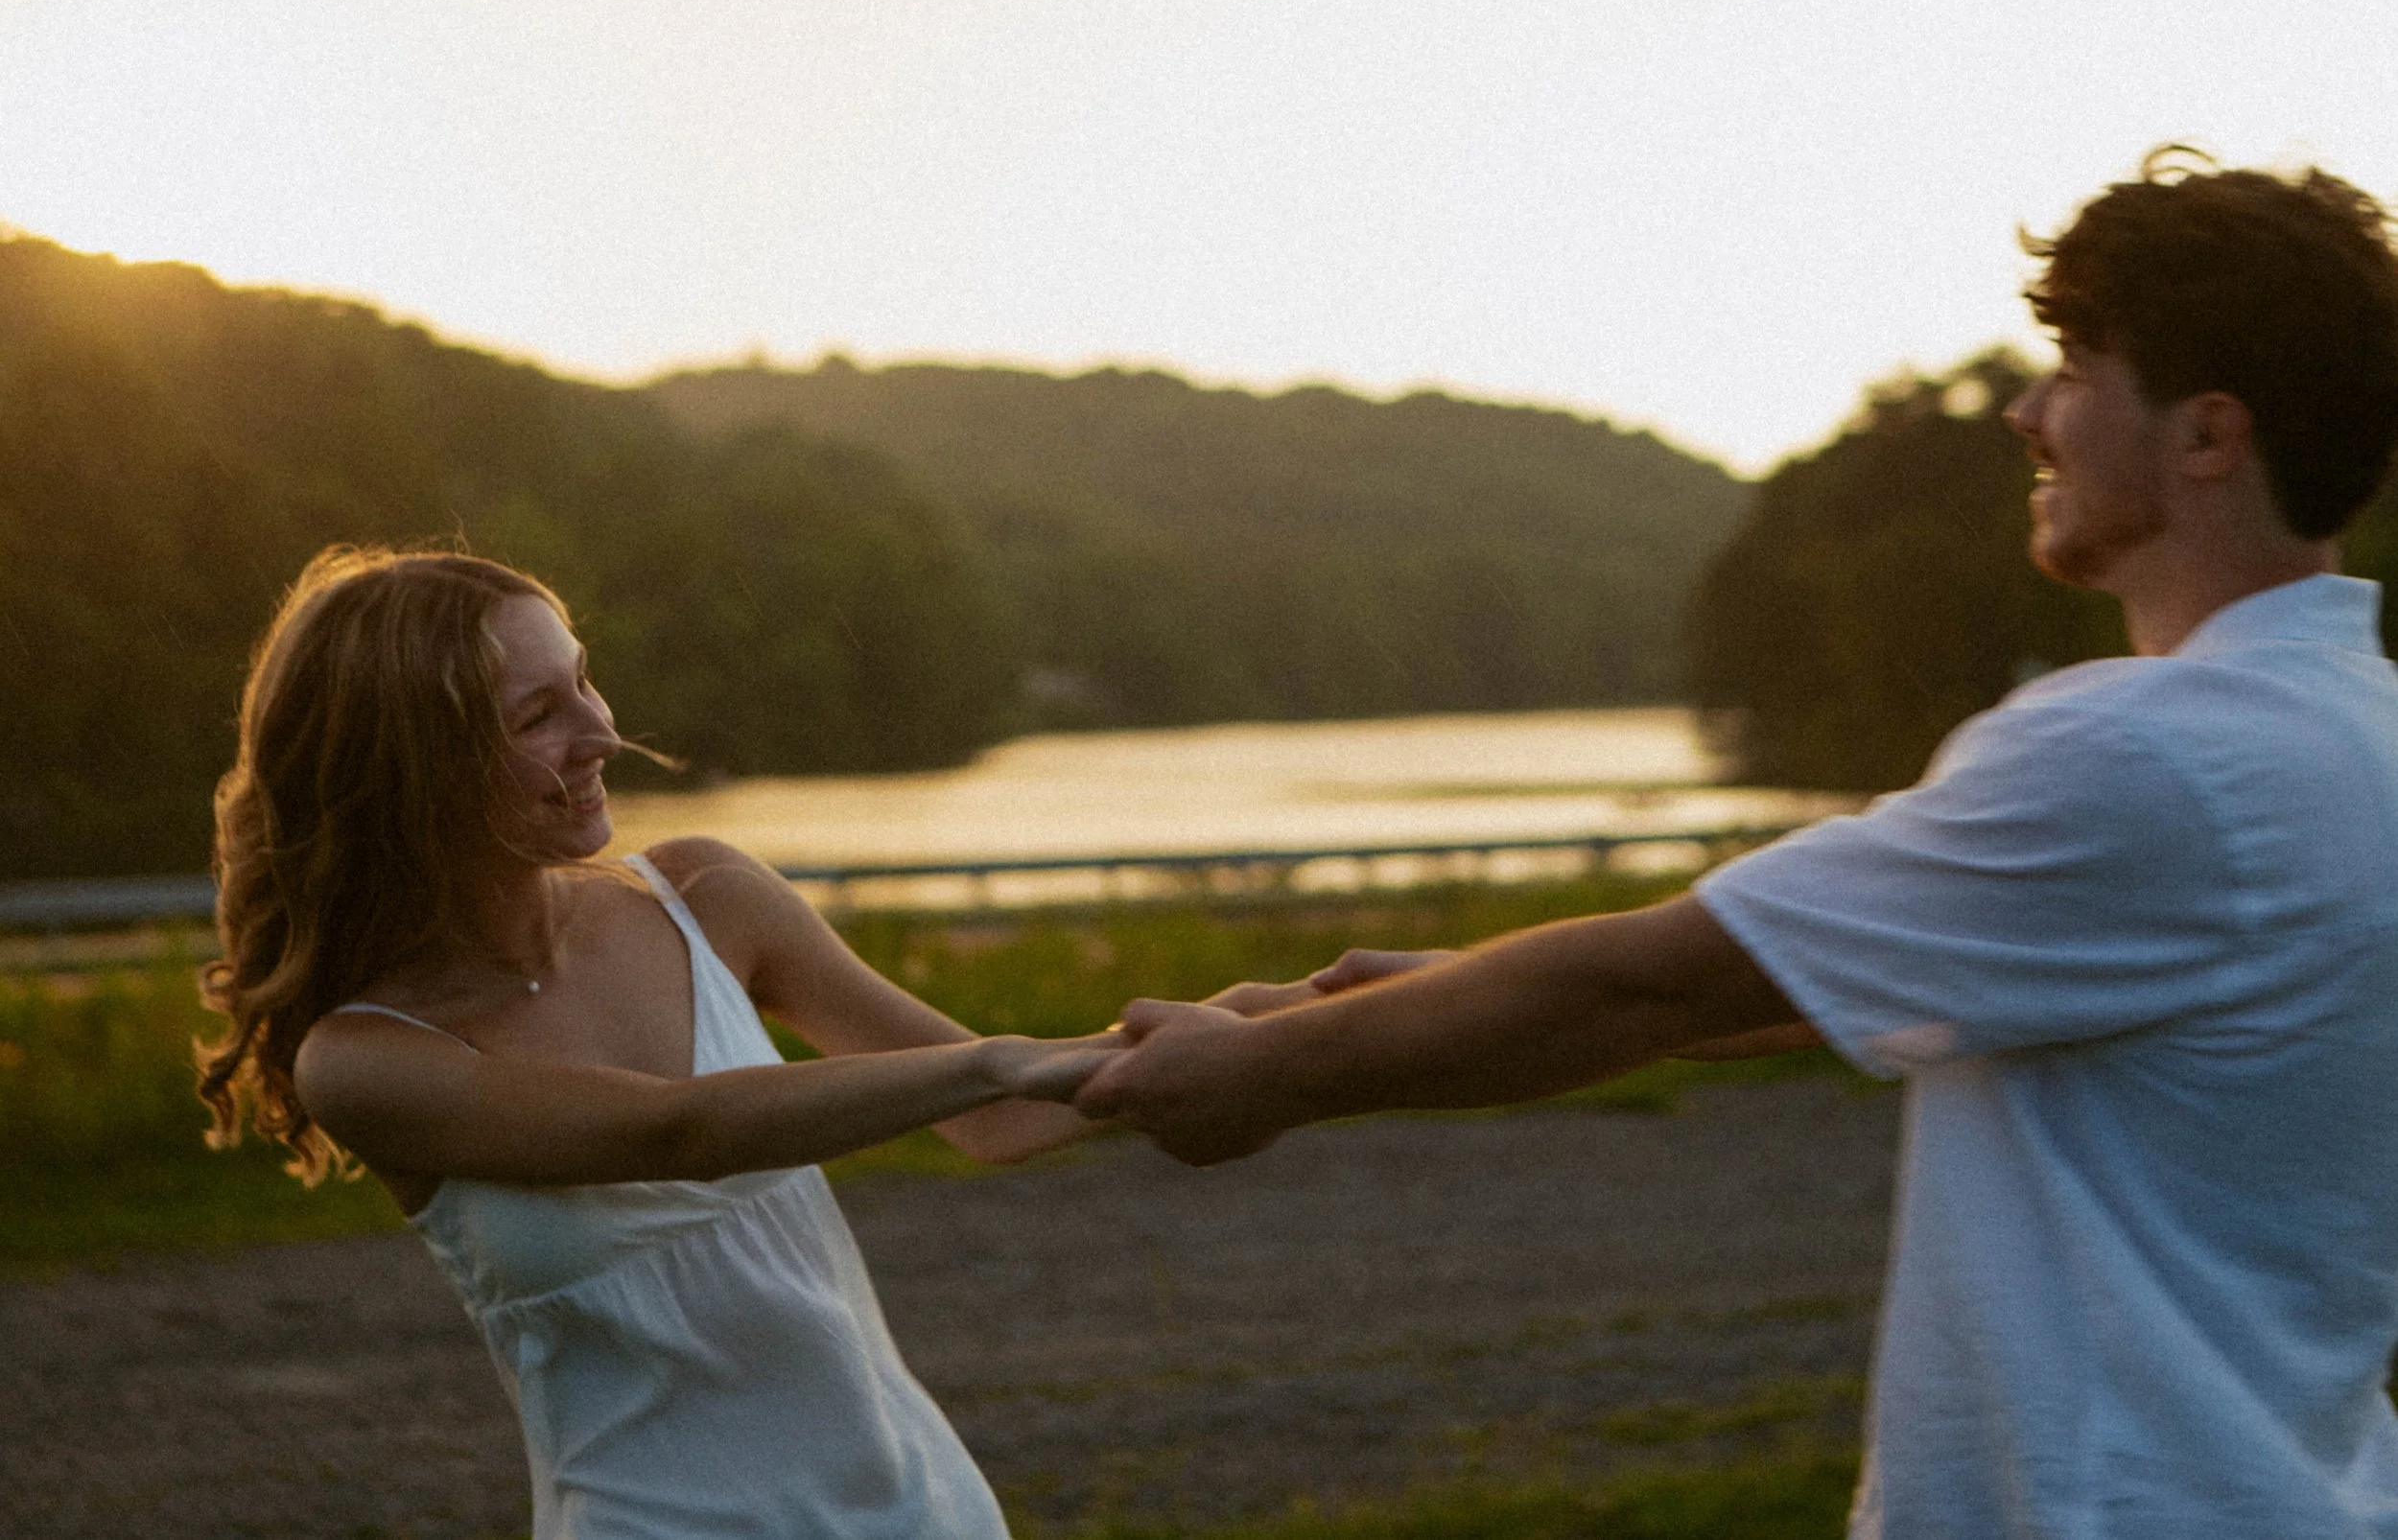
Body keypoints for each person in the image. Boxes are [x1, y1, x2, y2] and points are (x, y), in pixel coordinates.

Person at [1076, 150, 2398, 1537]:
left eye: (2074, 367)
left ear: (2207, 433)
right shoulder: (2355, 731)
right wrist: (1443, 988)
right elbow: (1813, 978)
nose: (2025, 411)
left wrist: (1261, 1071)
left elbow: (1652, 983)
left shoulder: (2137, 753)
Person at [196, 545, 1120, 1539]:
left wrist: (1283, 1018)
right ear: (415, 768)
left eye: (583, 680)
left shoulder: (707, 898)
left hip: (919, 1515)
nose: (600, 730)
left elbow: (1006, 1119)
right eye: (536, 715)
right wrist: (999, 1057)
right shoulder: (368, 1058)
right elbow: (676, 1132)